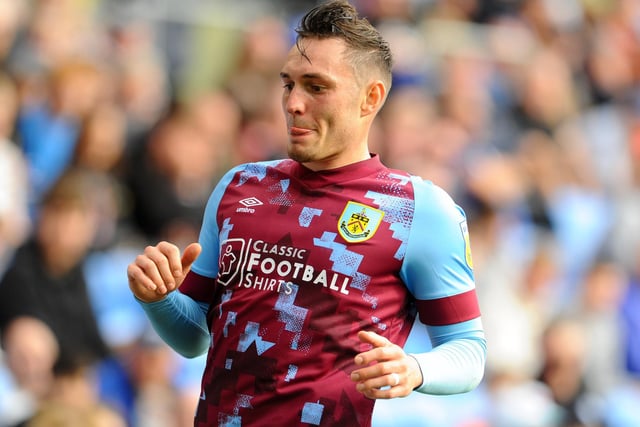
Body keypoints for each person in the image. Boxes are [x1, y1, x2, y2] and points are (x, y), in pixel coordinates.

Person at [126, 1, 486, 426]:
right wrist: (159, 300)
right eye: (288, 84)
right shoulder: (238, 187)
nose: (294, 103)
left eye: (316, 87)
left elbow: (468, 350)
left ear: (371, 98)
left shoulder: (416, 210)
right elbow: (193, 339)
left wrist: (416, 369)